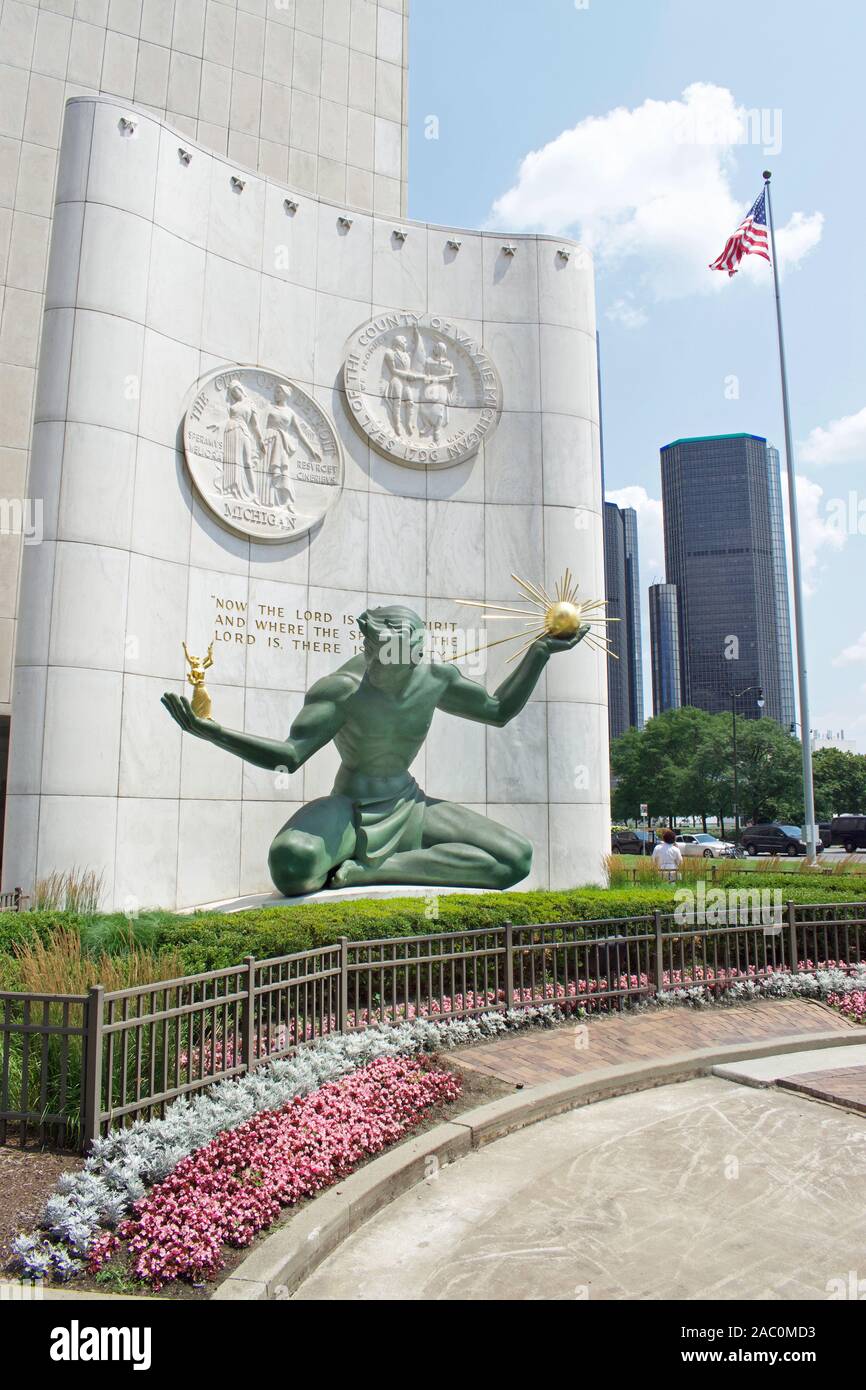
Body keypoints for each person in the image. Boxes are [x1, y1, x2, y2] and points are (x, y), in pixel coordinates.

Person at [162, 605, 589, 896]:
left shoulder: (435, 678)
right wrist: (214, 733)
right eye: (372, 652)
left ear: (416, 653)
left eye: (391, 657)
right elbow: (288, 758)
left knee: (515, 859)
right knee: (292, 866)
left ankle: (372, 871)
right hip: (349, 807)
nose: (377, 663)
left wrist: (539, 654)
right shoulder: (342, 689)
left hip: (410, 806)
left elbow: (498, 711)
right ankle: (351, 853)